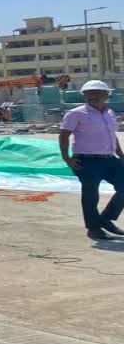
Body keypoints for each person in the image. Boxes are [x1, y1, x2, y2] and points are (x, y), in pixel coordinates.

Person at [59, 80, 124, 240]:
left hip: (109, 159)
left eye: (96, 93)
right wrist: (67, 158)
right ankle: (93, 228)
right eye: (88, 93)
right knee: (90, 194)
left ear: (106, 95)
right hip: (86, 160)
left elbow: (111, 135)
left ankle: (105, 219)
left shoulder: (109, 113)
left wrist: (121, 155)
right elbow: (64, 135)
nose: (92, 96)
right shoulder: (76, 113)